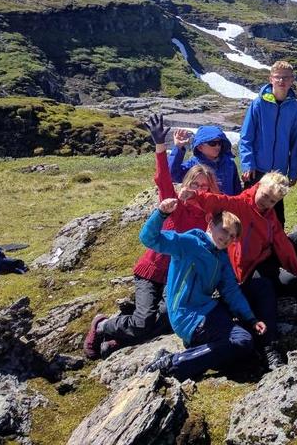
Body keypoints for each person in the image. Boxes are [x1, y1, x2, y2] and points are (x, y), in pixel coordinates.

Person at [85, 114, 221, 360]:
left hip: (176, 277)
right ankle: (103, 325)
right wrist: (162, 147)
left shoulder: (211, 217)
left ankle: (118, 341)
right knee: (144, 320)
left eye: (205, 186)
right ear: (187, 185)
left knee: (170, 318)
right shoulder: (175, 204)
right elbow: (163, 180)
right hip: (152, 271)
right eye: (195, 184)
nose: (199, 190)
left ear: (211, 190)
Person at [181, 171, 297, 369]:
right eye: (265, 196)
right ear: (258, 186)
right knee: (265, 287)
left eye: (273, 201)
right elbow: (217, 201)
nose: (266, 202)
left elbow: (282, 245)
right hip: (244, 271)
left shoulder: (270, 215)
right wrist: (194, 196)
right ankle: (269, 347)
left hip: (262, 261)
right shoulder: (240, 205)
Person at [141, 199, 264, 380]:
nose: (227, 238)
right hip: (187, 315)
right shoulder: (189, 243)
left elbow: (231, 291)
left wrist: (251, 318)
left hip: (208, 312)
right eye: (224, 230)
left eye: (232, 236)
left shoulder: (221, 258)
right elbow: (149, 238)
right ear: (211, 224)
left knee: (247, 353)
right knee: (242, 341)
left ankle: (196, 350)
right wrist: (161, 214)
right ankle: (172, 363)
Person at [239, 60, 297, 225]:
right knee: (251, 214)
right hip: (257, 170)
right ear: (271, 79)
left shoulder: (295, 108)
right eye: (278, 77)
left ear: (292, 80)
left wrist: (294, 171)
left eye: (286, 78)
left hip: (278, 173)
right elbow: (246, 136)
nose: (281, 81)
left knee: (277, 219)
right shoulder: (258, 104)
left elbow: (295, 142)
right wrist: (247, 164)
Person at [169, 125, 242, 196]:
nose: (217, 146)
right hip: (202, 207)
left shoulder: (229, 163)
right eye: (212, 143)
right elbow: (172, 175)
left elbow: (237, 189)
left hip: (227, 206)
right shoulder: (193, 165)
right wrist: (178, 148)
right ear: (200, 147)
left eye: (219, 143)